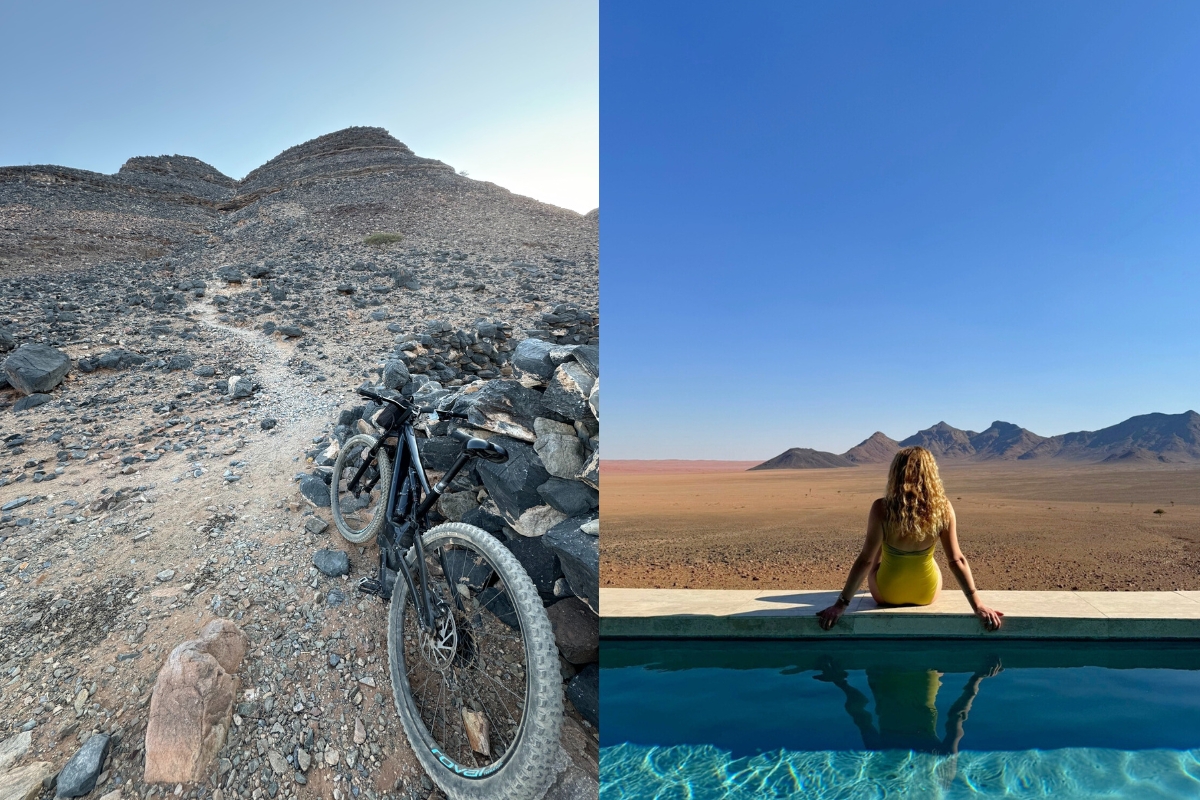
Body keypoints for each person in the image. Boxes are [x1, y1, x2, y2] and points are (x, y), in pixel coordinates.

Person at [816, 446, 1004, 631]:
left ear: (896, 474)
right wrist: (977, 605)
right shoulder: (944, 508)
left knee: (878, 550)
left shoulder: (881, 508)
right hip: (926, 594)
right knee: (930, 557)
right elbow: (956, 560)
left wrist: (841, 605)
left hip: (887, 594)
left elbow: (865, 561)